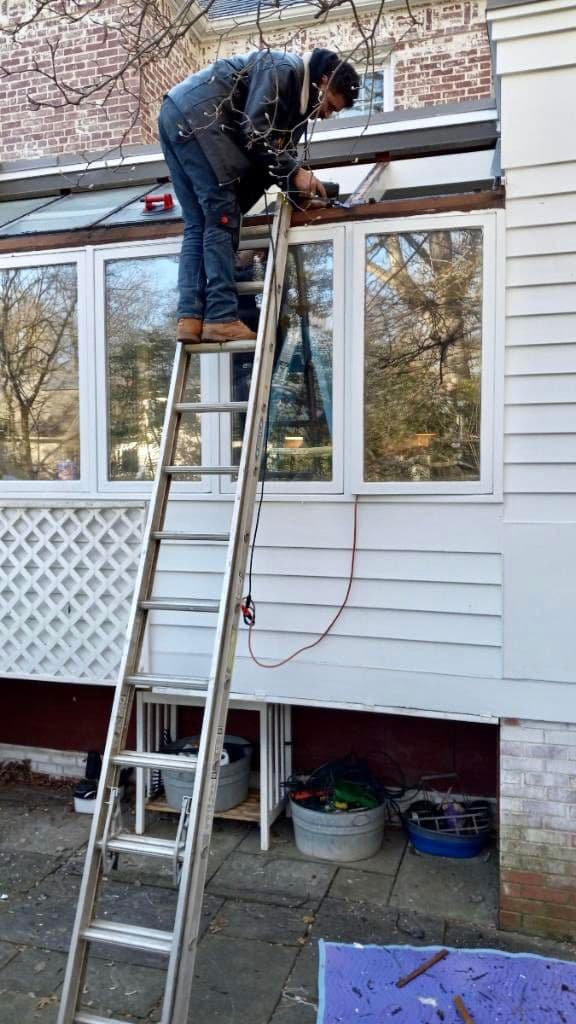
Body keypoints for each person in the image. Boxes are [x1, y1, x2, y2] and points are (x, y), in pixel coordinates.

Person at [158, 49, 359, 344]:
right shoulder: (283, 71)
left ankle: (190, 317)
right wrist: (295, 172)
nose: (326, 115)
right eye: (329, 105)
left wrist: (296, 189)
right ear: (323, 81)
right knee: (222, 217)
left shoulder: (296, 101)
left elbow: (278, 154)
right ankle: (221, 317)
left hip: (179, 113)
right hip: (200, 120)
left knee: (198, 223)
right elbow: (255, 133)